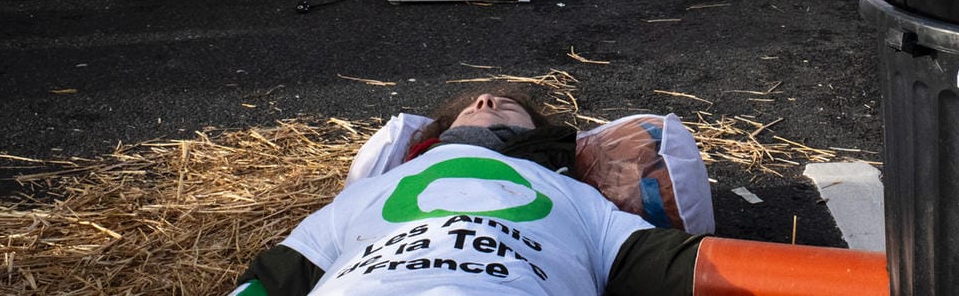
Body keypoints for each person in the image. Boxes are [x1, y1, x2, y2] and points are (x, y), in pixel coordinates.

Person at [232, 90, 702, 295]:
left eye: (508, 105)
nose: (484, 101)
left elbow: (687, 266)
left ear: (540, 136)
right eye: (472, 105)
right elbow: (273, 281)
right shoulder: (368, 193)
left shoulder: (574, 196)